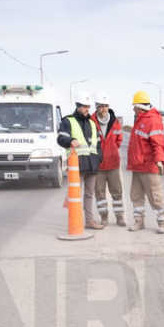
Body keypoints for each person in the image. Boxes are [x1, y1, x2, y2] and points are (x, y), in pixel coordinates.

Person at [57, 93, 104, 230]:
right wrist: (70, 140)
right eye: (84, 107)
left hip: (92, 165)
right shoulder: (68, 121)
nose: (87, 109)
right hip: (76, 165)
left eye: (88, 107)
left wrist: (99, 158)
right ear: (78, 106)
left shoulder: (92, 123)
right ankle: (74, 222)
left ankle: (89, 221)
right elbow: (60, 138)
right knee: (74, 195)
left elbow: (98, 144)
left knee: (89, 194)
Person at [127, 91, 164, 234]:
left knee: (155, 196)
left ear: (140, 107)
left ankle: (163, 222)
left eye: (134, 107)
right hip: (137, 166)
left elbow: (158, 143)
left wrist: (159, 160)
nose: (133, 109)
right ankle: (139, 222)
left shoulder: (152, 120)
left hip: (149, 166)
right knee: (136, 196)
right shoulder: (140, 120)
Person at [92, 94, 126, 227]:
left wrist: (110, 152)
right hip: (98, 166)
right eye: (101, 106)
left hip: (113, 165)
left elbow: (119, 141)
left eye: (106, 106)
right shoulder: (91, 122)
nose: (104, 109)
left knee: (117, 192)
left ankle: (119, 217)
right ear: (97, 107)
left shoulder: (115, 123)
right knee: (100, 194)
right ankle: (104, 217)